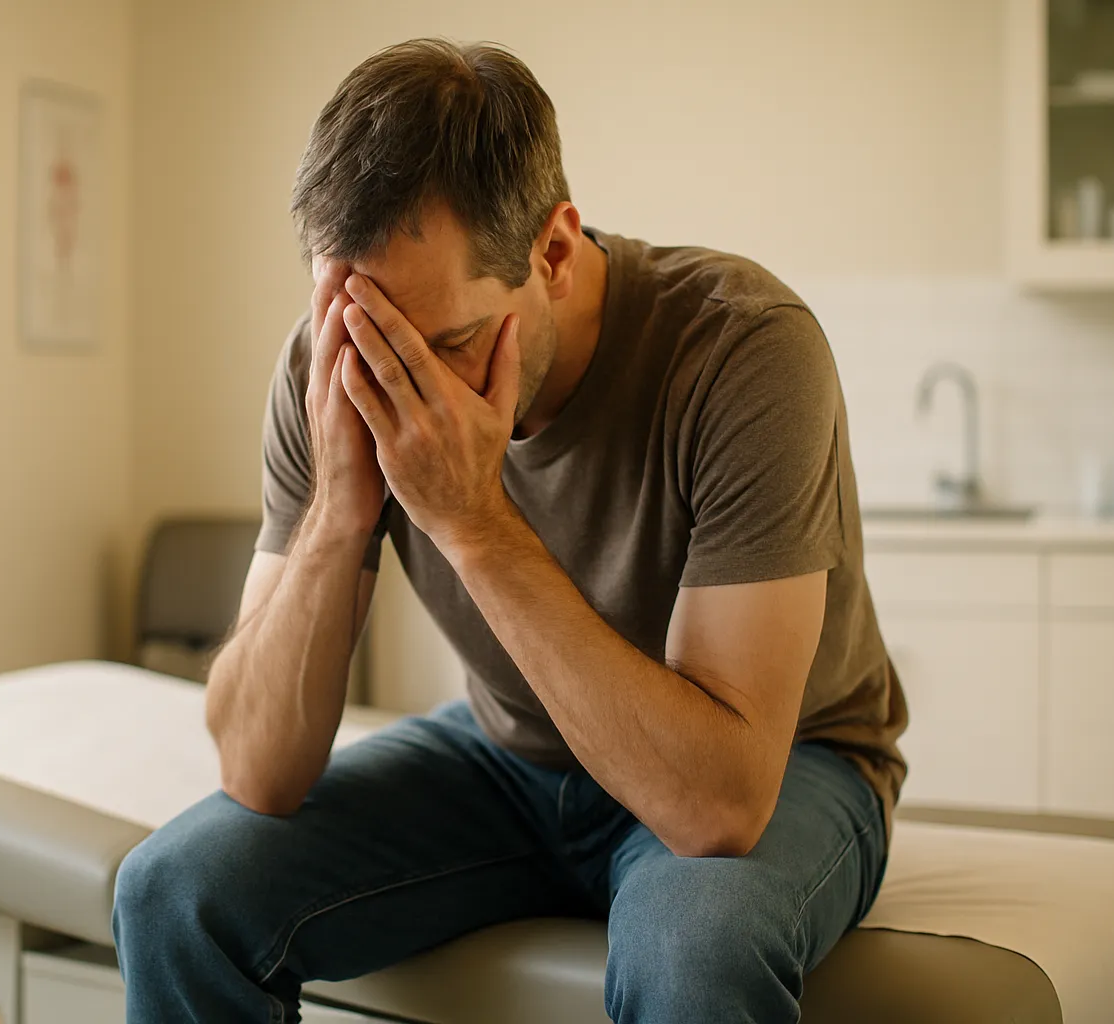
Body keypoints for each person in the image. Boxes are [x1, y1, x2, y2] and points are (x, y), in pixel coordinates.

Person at [113, 37, 907, 1024]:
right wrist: (337, 516)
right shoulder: (330, 370)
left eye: (444, 344)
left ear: (555, 252)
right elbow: (257, 770)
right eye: (364, 335)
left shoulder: (743, 349)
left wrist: (475, 525)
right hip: (510, 759)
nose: (400, 390)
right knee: (175, 894)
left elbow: (718, 804)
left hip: (787, 761)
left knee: (693, 951)